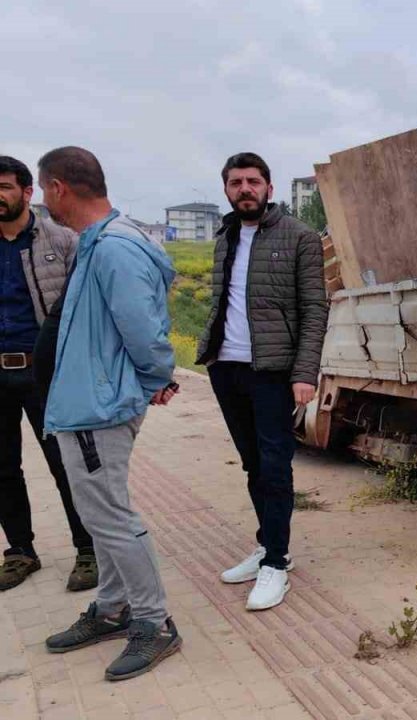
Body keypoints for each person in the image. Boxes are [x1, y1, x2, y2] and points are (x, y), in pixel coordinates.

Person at [38, 147, 181, 681]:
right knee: (99, 514)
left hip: (97, 409)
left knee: (112, 517)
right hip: (84, 403)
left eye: (41, 189)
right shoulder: (97, 243)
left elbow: (145, 331)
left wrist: (153, 380)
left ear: (58, 189)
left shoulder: (115, 248)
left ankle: (153, 621)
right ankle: (115, 606)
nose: (41, 199)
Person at [197, 152, 327, 611]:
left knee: (275, 467)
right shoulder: (224, 235)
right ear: (226, 190)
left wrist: (305, 373)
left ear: (269, 188)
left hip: (272, 371)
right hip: (226, 368)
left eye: (253, 181)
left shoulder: (300, 237)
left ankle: (275, 562)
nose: (245, 189)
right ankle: (270, 545)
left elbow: (315, 310)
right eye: (236, 183)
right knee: (252, 464)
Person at [0, 156, 97, 592]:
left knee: (66, 464)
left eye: (4, 186)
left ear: (27, 192)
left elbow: (82, 309)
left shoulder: (62, 240)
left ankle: (88, 549)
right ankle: (20, 552)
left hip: (45, 374)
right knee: (3, 468)